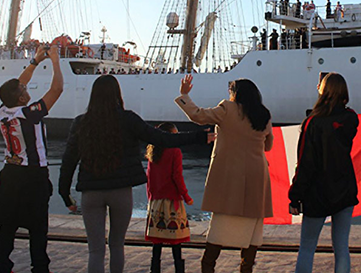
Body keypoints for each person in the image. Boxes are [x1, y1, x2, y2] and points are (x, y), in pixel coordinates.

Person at [59, 75, 212, 273]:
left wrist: (65, 194)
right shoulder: (128, 119)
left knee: (95, 250)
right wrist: (199, 137)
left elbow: (68, 161)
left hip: (91, 192)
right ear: (117, 94)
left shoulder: (81, 123)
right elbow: (161, 138)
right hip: (120, 192)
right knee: (116, 245)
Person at [175, 75, 274, 273]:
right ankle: (246, 269)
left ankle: (208, 268)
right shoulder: (264, 114)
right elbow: (268, 145)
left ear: (235, 94)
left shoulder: (226, 109)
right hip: (256, 175)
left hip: (229, 175)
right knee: (252, 232)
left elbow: (198, 115)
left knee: (219, 228)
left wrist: (184, 95)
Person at [0, 44, 62, 273]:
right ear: (21, 97)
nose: (28, 89)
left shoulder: (3, 111)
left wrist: (35, 62)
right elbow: (57, 89)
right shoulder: (28, 114)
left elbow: (15, 86)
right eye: (24, 90)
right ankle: (40, 268)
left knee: (5, 227)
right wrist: (55, 61)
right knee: (38, 230)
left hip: (9, 174)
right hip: (33, 176)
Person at [289, 73, 359, 273]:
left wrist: (295, 196)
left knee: (308, 246)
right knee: (341, 247)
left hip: (317, 192)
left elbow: (305, 163)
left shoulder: (313, 123)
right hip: (344, 188)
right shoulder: (351, 118)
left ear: (323, 90)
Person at [145, 122, 194, 273]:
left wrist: (151, 197)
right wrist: (186, 196)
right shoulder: (175, 151)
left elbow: (149, 177)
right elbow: (177, 177)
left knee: (157, 241)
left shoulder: (153, 152)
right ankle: (179, 269)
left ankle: (155, 269)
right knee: (175, 240)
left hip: (156, 201)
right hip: (172, 201)